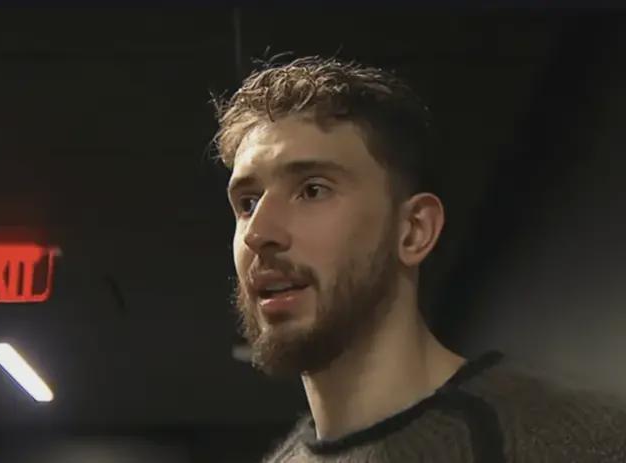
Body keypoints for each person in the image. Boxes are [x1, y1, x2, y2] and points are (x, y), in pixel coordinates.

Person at [211, 55, 626, 462]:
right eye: (248, 203)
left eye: (312, 190)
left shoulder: (572, 444)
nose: (258, 233)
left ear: (413, 230)